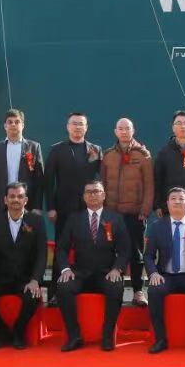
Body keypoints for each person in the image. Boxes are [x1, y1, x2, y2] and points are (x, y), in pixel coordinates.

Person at [55, 180, 130, 352]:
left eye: (96, 191)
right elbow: (61, 248)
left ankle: (107, 336)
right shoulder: (74, 219)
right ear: (84, 197)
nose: (92, 195)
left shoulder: (116, 219)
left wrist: (117, 269)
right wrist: (65, 269)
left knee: (116, 287)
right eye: (88, 192)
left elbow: (125, 249)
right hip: (80, 272)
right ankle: (74, 336)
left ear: (104, 195)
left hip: (106, 272)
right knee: (64, 287)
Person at [0, 181, 47, 349]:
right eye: (12, 196)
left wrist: (35, 280)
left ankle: (19, 333)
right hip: (1, 278)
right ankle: (1, 332)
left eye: (20, 196)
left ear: (26, 200)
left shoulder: (36, 221)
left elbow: (42, 255)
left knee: (32, 297)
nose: (16, 200)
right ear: (5, 200)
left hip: (26, 279)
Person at [144, 187, 185, 354]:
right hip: (165, 276)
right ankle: (160, 340)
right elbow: (148, 255)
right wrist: (153, 273)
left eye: (181, 199)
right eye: (173, 198)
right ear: (167, 203)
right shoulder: (157, 226)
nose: (177, 201)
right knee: (154, 290)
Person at [45, 112, 103, 299]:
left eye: (81, 124)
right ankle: (55, 292)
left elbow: (103, 177)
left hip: (89, 209)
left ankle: (84, 287)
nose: (78, 127)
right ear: (68, 127)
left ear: (86, 127)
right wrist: (51, 207)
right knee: (61, 248)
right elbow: (48, 181)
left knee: (87, 248)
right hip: (63, 209)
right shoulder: (57, 150)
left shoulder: (96, 150)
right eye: (74, 123)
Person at [100, 117, 154, 307]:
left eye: (127, 128)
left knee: (136, 254)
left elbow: (149, 185)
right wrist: (103, 211)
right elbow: (103, 185)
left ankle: (138, 291)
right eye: (120, 128)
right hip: (112, 214)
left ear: (133, 130)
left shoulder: (143, 155)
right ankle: (115, 289)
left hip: (135, 213)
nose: (124, 132)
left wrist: (145, 210)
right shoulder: (108, 155)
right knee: (112, 252)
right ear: (115, 131)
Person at [0, 108, 45, 218]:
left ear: (23, 125)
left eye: (17, 122)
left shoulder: (33, 147)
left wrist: (37, 207)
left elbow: (39, 180)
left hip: (27, 205)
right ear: (5, 126)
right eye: (10, 122)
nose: (13, 125)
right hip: (1, 206)